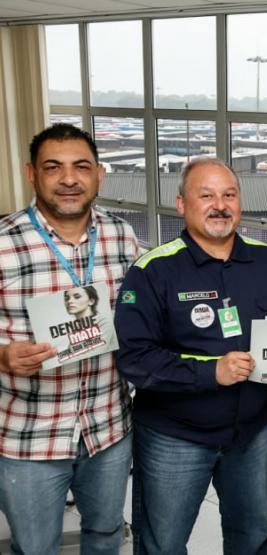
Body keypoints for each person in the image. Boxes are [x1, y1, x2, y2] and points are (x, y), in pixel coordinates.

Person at [115, 158, 267, 555]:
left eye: (229, 195)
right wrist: (210, 371)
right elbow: (135, 358)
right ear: (181, 204)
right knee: (164, 543)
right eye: (207, 195)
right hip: (175, 437)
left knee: (250, 535)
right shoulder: (152, 271)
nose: (220, 205)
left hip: (249, 435)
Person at [0, 123, 140, 554]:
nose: (68, 179)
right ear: (31, 174)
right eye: (53, 167)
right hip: (30, 434)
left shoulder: (123, 236)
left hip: (108, 429)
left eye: (81, 167)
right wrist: (2, 355)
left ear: (99, 174)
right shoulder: (3, 242)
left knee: (105, 537)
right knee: (36, 546)